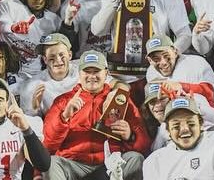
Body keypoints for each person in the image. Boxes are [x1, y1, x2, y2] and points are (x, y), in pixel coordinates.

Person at [42, 51, 148, 180]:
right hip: (74, 164)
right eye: (87, 71)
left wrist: (130, 136)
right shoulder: (63, 101)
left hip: (109, 164)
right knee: (52, 163)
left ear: (106, 73)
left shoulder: (120, 99)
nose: (92, 76)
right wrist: (64, 117)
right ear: (79, 74)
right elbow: (48, 145)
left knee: (135, 159)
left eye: (96, 71)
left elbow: (144, 144)